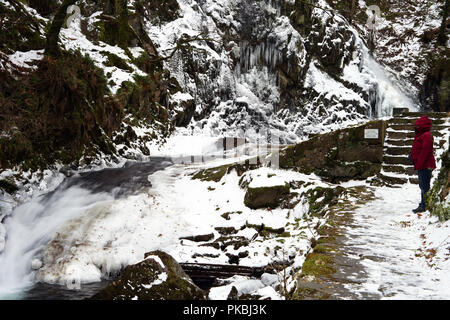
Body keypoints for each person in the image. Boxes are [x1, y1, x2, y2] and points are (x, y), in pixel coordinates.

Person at [410, 115, 436, 213]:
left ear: (423, 126)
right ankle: (424, 203)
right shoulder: (421, 135)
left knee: (424, 186)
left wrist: (419, 163)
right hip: (422, 164)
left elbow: (425, 151)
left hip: (425, 164)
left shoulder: (427, 135)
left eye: (418, 125)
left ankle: (425, 206)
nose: (416, 127)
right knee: (422, 185)